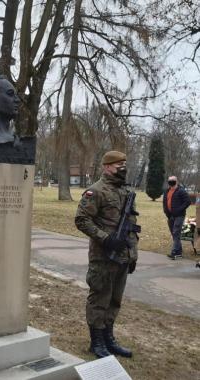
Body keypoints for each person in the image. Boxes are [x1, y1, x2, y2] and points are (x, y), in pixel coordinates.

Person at [75, 151, 139, 359]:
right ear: (107, 166)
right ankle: (97, 341)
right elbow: (82, 220)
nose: (123, 167)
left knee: (115, 300)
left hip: (122, 256)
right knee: (99, 298)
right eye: (119, 164)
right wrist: (105, 238)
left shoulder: (126, 192)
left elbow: (130, 227)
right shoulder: (95, 191)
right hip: (103, 256)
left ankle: (109, 338)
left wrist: (133, 254)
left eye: (124, 164)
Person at [163, 176, 191, 259]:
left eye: (173, 180)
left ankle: (174, 252)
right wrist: (166, 211)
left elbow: (188, 202)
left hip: (179, 215)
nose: (171, 182)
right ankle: (179, 252)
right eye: (170, 181)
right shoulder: (167, 191)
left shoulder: (181, 191)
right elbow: (165, 202)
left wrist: (179, 210)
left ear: (176, 181)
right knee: (174, 234)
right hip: (170, 216)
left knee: (176, 232)